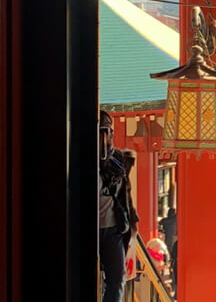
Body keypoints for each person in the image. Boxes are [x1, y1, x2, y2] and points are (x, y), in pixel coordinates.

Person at [99, 110, 138, 302]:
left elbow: (126, 195)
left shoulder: (117, 161)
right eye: (101, 131)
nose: (105, 137)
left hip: (113, 227)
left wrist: (133, 223)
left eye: (108, 131)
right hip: (87, 229)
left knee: (117, 278)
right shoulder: (77, 159)